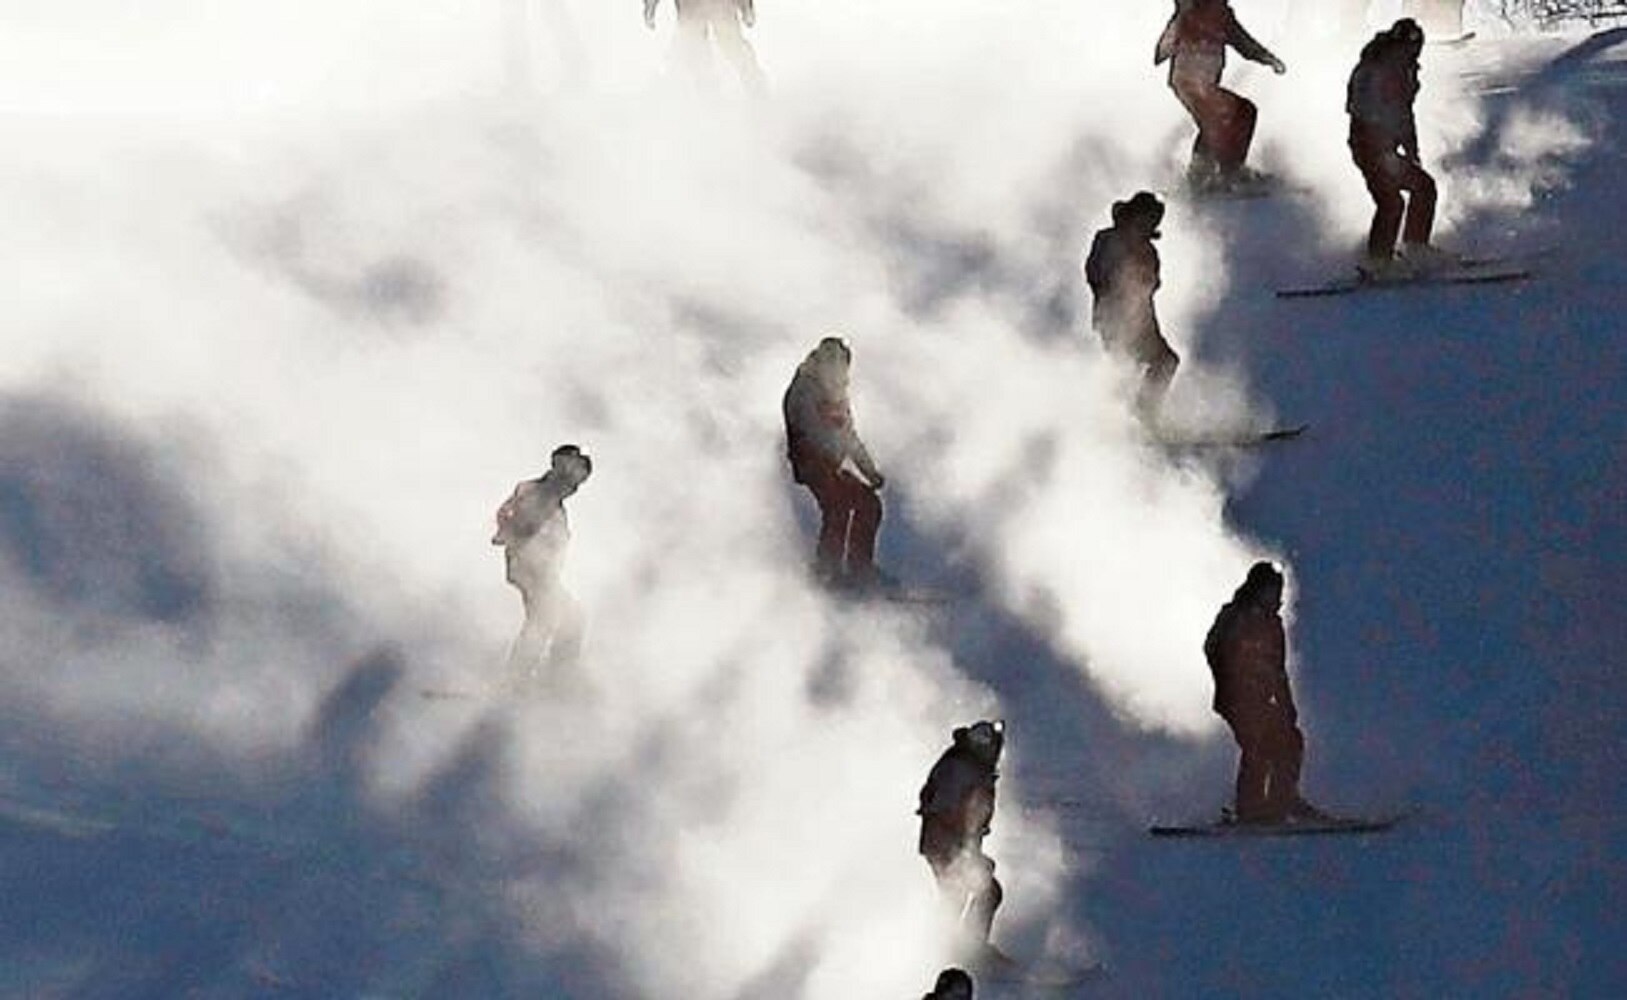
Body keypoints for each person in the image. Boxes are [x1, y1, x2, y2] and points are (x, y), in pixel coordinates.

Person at [1203, 562, 1328, 824]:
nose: (1274, 596)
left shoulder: (1272, 623)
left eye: (1277, 590)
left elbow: (1277, 669)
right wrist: (1234, 677)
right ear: (1256, 589)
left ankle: (1282, 801)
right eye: (1269, 590)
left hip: (1259, 698)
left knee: (1289, 739)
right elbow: (1214, 648)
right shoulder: (1237, 615)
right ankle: (1250, 809)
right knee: (1257, 743)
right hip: (1235, 698)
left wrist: (1287, 704)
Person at [782, 336, 888, 589]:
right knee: (837, 506)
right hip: (811, 462)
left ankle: (859, 567)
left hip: (830, 464)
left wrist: (869, 471)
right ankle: (826, 570)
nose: (840, 372)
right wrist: (830, 451)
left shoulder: (837, 392)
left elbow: (849, 436)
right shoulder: (805, 389)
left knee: (869, 503)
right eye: (834, 364)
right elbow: (811, 429)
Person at [1347, 18, 1447, 279]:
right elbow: (1366, 110)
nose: (1414, 54)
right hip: (1369, 146)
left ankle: (1412, 248)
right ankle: (1379, 261)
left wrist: (1411, 151)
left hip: (1382, 147)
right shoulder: (1376, 70)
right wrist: (1382, 149)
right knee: (1392, 200)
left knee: (1421, 188)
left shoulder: (1402, 69)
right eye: (1411, 47)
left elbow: (1405, 113)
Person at [1155, 0, 1287, 193]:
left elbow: (1245, 44)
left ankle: (1208, 174)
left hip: (1202, 84)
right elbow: (1165, 45)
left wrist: (1268, 59)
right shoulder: (1190, 11)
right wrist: (1170, 43)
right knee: (1232, 115)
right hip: (1188, 82)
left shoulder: (1222, 16)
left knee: (1222, 119)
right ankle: (1222, 173)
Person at [492, 444, 593, 688]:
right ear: (560, 467)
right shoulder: (539, 493)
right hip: (530, 567)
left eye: (579, 482)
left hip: (540, 571)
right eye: (574, 478)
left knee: (567, 618)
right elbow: (513, 517)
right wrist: (512, 533)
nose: (574, 487)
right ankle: (524, 677)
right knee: (546, 618)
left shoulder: (554, 505)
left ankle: (552, 675)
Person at [1083, 192, 1180, 421]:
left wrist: (1144, 282)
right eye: (1145, 219)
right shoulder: (1108, 240)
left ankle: (1141, 414)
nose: (1148, 225)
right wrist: (1120, 285)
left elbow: (1152, 282)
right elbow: (1096, 273)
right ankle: (1135, 417)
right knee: (1142, 365)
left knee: (1163, 362)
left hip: (1142, 320)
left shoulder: (1147, 249)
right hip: (1116, 320)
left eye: (1153, 222)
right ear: (1133, 215)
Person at [917, 721, 1006, 955]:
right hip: (945, 845)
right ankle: (965, 950)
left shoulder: (972, 768)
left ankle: (955, 948)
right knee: (981, 891)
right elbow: (946, 813)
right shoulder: (961, 769)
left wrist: (972, 853)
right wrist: (965, 854)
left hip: (946, 844)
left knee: (962, 894)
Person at [643, 0, 766, 94]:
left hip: (718, 6)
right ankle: (709, 93)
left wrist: (746, 8)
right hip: (691, 8)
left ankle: (755, 85)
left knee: (731, 44)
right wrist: (650, 8)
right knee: (695, 49)